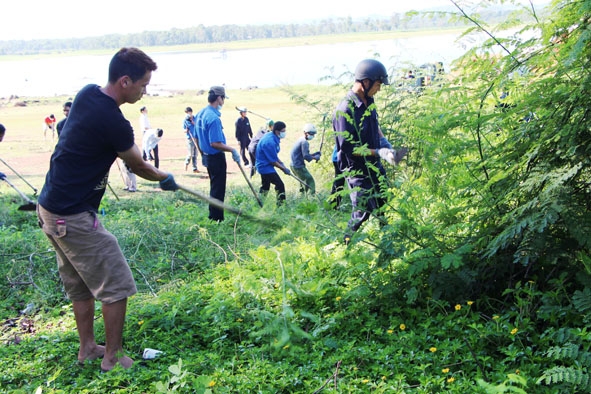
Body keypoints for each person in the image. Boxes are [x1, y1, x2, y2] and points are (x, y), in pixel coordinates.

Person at [36, 47, 178, 372]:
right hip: (70, 214)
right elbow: (139, 165)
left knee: (80, 282)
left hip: (51, 208)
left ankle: (88, 348)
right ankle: (112, 359)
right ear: (125, 81)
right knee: (116, 282)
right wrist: (163, 177)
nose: (145, 91)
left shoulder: (87, 94)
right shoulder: (115, 122)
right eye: (143, 84)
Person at [333, 59, 405, 245]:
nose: (379, 89)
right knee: (362, 212)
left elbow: (375, 125)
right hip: (356, 170)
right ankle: (344, 244)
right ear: (366, 82)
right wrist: (378, 152)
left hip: (374, 165)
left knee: (383, 204)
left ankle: (388, 245)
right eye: (378, 84)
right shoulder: (345, 110)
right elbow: (348, 149)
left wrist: (385, 144)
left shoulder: (369, 100)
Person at [194, 85, 240, 222]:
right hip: (215, 157)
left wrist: (202, 154)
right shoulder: (213, 118)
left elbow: (195, 137)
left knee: (214, 186)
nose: (223, 102)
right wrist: (232, 150)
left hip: (207, 156)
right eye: (223, 98)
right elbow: (215, 143)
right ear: (219, 98)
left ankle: (213, 216)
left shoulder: (201, 113)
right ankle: (216, 219)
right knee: (218, 189)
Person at [255, 121, 290, 204]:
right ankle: (280, 206)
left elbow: (273, 156)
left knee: (265, 186)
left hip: (264, 165)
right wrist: (283, 169)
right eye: (283, 131)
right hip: (265, 167)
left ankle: (259, 203)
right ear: (277, 131)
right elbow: (273, 161)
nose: (284, 133)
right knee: (280, 185)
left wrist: (282, 163)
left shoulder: (272, 136)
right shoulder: (269, 142)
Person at [289, 123, 320, 194]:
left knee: (302, 183)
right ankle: (311, 198)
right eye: (311, 134)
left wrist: (314, 154)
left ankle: (301, 198)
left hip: (293, 165)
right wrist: (316, 157)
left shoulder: (300, 139)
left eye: (313, 134)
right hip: (298, 166)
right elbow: (306, 156)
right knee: (310, 181)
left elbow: (303, 154)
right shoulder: (304, 142)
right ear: (305, 133)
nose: (312, 136)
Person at [183, 107, 200, 173]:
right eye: (187, 113)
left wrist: (193, 123)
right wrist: (186, 130)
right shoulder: (185, 120)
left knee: (195, 154)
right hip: (190, 138)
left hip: (196, 137)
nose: (188, 114)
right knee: (190, 154)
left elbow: (198, 126)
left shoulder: (195, 118)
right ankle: (186, 163)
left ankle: (194, 168)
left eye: (188, 112)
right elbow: (184, 129)